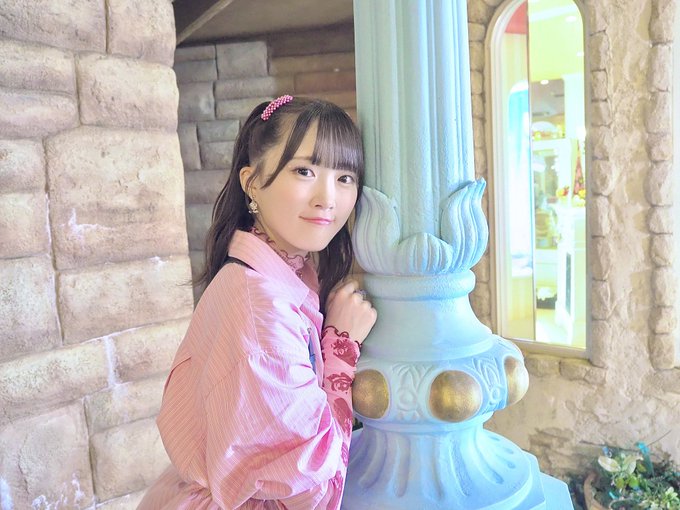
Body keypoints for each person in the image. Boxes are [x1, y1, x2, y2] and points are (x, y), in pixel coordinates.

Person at [138, 95, 377, 510]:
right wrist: (340, 346)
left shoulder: (276, 277)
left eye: (345, 177)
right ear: (252, 182)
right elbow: (313, 490)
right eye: (304, 171)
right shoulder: (259, 306)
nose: (328, 198)